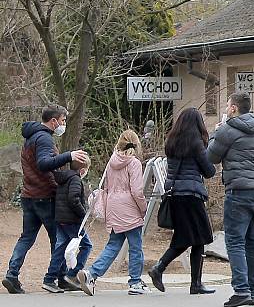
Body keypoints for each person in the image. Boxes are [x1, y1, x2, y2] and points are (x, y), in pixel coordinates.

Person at [207, 92, 254, 307]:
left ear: (233, 108)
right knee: (253, 242)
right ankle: (253, 291)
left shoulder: (227, 131)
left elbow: (211, 157)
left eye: (228, 105)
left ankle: (241, 290)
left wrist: (215, 133)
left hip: (238, 190)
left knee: (235, 240)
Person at [3, 104, 89, 294]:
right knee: (58, 240)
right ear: (53, 121)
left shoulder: (31, 137)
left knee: (26, 238)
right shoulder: (44, 138)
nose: (63, 124)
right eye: (63, 121)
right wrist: (69, 156)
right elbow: (43, 164)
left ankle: (12, 274)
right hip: (45, 196)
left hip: (28, 195)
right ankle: (58, 278)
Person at [148, 108, 217, 295]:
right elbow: (209, 171)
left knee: (190, 238)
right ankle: (161, 269)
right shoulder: (196, 143)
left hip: (175, 194)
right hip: (191, 195)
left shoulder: (171, 141)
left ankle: (194, 283)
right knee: (197, 237)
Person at [78, 130, 148, 296]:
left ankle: (91, 273)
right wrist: (143, 208)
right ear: (136, 144)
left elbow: (107, 187)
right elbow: (137, 190)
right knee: (135, 246)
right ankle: (135, 281)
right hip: (130, 208)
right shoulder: (134, 163)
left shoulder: (112, 162)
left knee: (113, 244)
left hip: (113, 206)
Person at [52, 157, 93, 291]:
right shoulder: (75, 179)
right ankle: (72, 274)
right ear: (82, 170)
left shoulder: (63, 178)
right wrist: (83, 213)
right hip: (72, 220)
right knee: (86, 245)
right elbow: (73, 199)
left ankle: (49, 277)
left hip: (61, 218)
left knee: (61, 248)